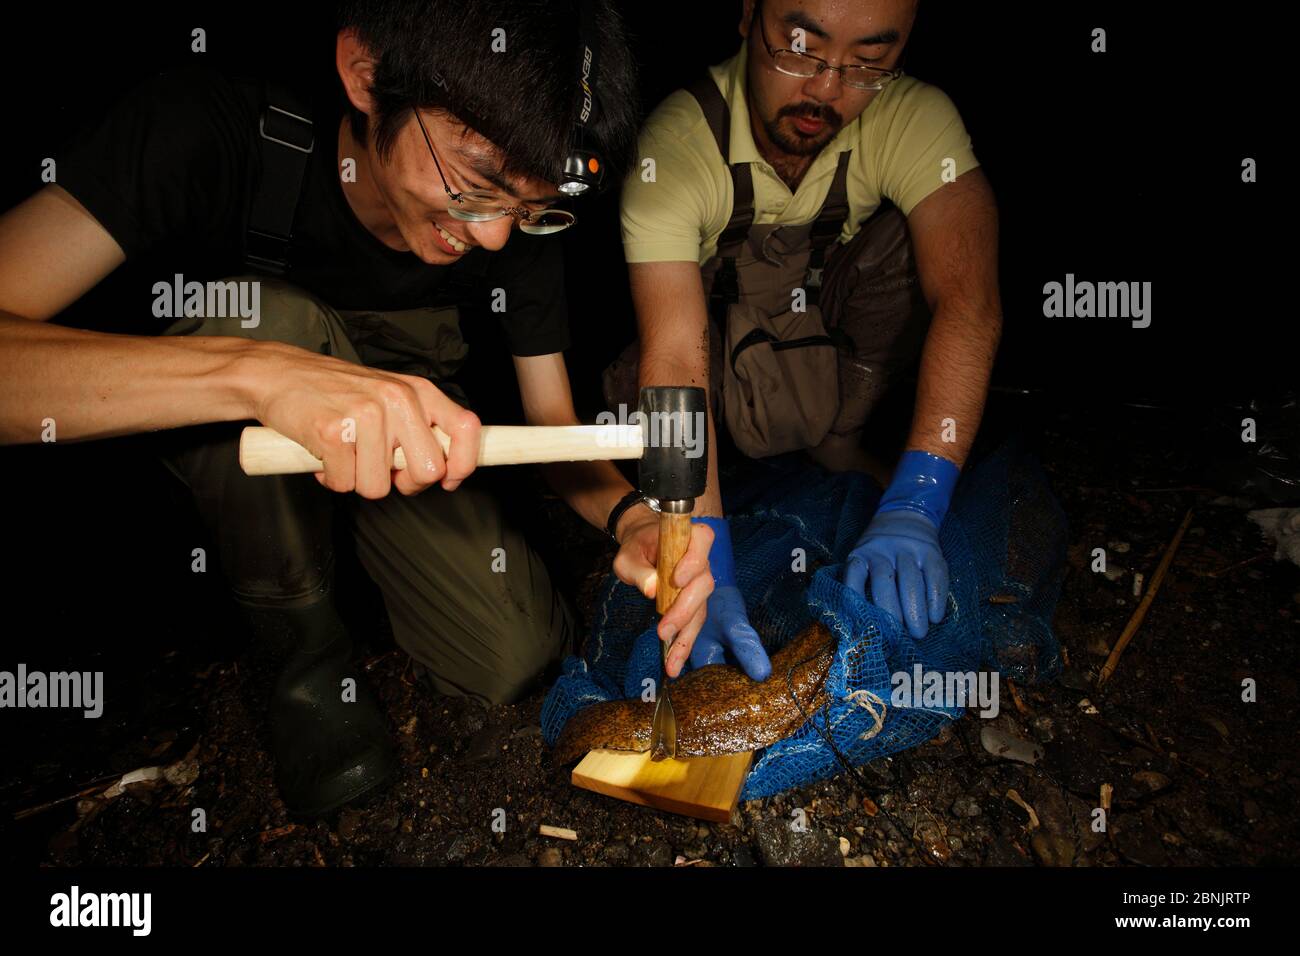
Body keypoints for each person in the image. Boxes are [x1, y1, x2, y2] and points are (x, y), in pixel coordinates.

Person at [0, 0, 716, 815]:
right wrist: (262, 374)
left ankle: (371, 574)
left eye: (530, 204)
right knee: (265, 317)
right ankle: (302, 663)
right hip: (227, 447)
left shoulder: (512, 224)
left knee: (514, 655)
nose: (493, 240)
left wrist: (628, 517)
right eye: (477, 182)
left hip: (405, 454)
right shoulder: (206, 124)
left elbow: (552, 429)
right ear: (368, 75)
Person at [609, 0, 1001, 671]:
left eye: (867, 64)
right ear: (745, 17)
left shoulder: (912, 117)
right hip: (716, 360)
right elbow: (673, 354)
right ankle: (718, 482)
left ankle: (838, 439)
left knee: (940, 248)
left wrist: (920, 497)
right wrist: (706, 550)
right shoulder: (675, 144)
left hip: (815, 334)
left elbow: (971, 301)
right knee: (650, 398)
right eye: (798, 49)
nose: (825, 89)